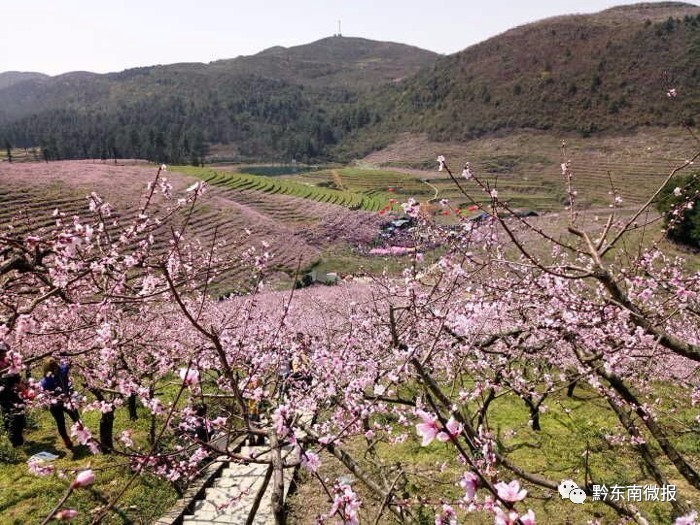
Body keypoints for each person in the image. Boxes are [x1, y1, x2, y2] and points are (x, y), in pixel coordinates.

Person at [40, 357, 80, 450]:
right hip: (61, 402)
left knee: (69, 419)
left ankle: (73, 436)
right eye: (53, 366)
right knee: (70, 419)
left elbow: (66, 363)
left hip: (61, 402)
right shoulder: (60, 372)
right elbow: (67, 363)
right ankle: (70, 438)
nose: (55, 368)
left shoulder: (46, 380)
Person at [0, 343, 26, 447]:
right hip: (3, 394)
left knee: (19, 414)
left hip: (14, 392)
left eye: (3, 352)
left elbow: (16, 374)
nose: (3, 354)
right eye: (1, 352)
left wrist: (20, 384)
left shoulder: (8, 361)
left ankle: (18, 438)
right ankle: (13, 440)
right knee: (8, 415)